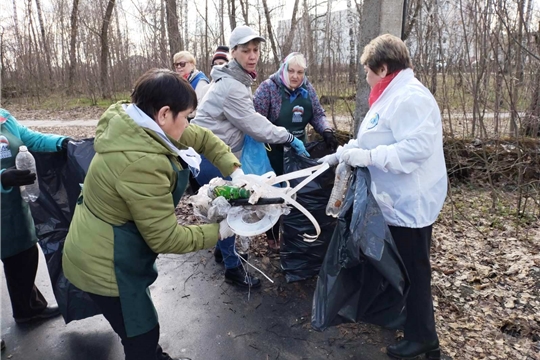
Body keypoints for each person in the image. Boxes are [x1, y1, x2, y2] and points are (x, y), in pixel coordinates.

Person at [62, 68, 242, 360]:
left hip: (100, 241)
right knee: (140, 332)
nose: (189, 124)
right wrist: (222, 229)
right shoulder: (141, 162)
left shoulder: (135, 123)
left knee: (138, 328)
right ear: (164, 114)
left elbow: (204, 138)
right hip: (106, 263)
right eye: (187, 117)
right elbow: (165, 237)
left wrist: (237, 171)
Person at [318, 34, 447, 360]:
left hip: (410, 202)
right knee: (400, 265)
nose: (365, 76)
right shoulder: (392, 95)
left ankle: (423, 337)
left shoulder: (410, 98)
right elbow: (373, 139)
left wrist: (370, 159)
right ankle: (399, 318)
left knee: (415, 269)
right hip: (392, 200)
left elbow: (416, 149)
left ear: (384, 67)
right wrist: (343, 154)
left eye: (368, 71)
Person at [192, 25, 310, 287]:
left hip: (211, 153)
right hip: (212, 157)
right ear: (233, 52)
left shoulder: (231, 78)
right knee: (229, 209)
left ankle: (222, 253)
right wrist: (289, 137)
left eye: (256, 49)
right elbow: (255, 124)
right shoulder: (232, 86)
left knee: (224, 206)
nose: (252, 55)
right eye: (246, 50)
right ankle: (233, 269)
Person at [253, 52, 337, 250]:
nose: (295, 76)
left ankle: (293, 235)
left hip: (298, 151)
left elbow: (317, 114)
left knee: (296, 193)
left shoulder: (307, 89)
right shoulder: (268, 88)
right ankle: (272, 235)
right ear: (283, 69)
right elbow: (255, 122)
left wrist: (326, 130)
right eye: (291, 71)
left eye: (300, 72)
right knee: (273, 193)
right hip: (272, 152)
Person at [0, 108, 65, 325]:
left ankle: (28, 309)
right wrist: (2, 178)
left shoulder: (4, 118)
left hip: (12, 208)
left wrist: (62, 143)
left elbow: (31, 139)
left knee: (23, 255)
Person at [172, 50, 210, 117]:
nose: (178, 67)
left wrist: (182, 115)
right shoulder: (181, 82)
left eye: (182, 64)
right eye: (176, 64)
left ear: (192, 65)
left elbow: (202, 108)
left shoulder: (200, 81)